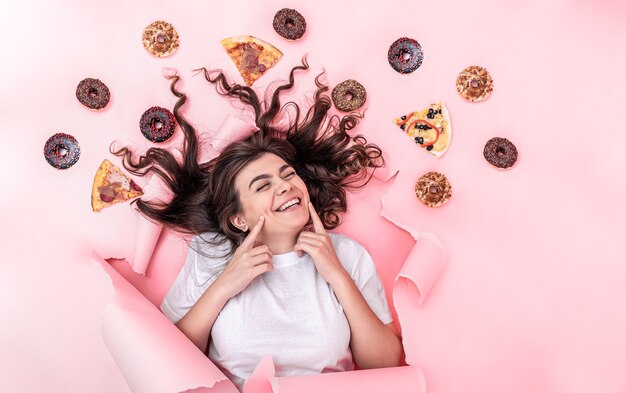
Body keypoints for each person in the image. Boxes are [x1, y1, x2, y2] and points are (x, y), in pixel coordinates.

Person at [113, 58, 403, 391]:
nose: (285, 187)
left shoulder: (347, 254)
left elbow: (383, 363)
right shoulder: (211, 252)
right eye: (263, 185)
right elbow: (170, 361)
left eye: (288, 175)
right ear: (238, 218)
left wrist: (336, 274)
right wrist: (224, 285)